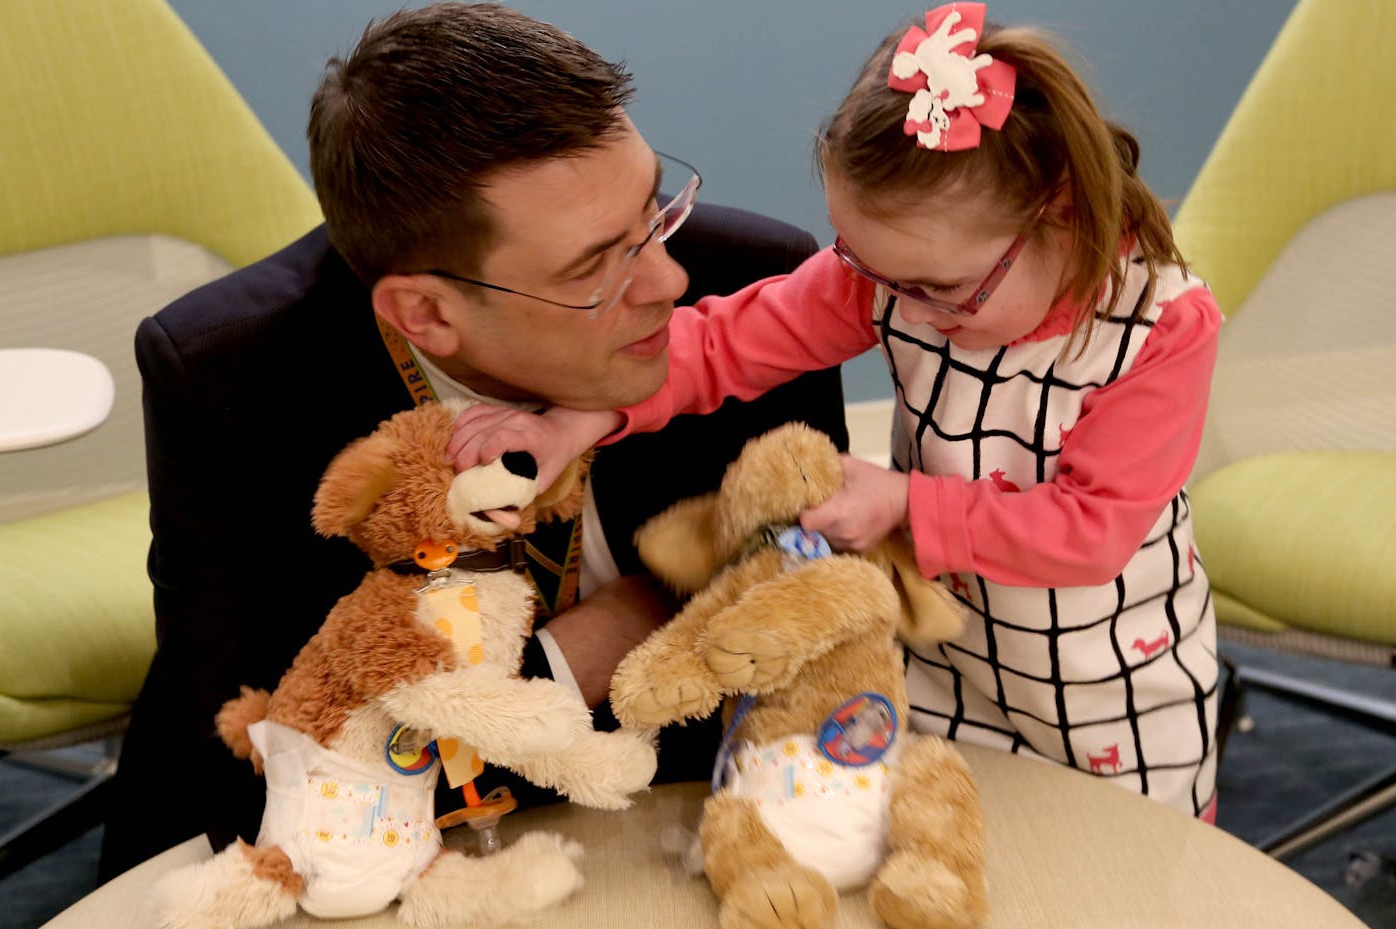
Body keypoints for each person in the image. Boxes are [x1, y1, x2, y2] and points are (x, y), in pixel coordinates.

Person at [97, 2, 847, 882]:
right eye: (593, 267)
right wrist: (606, 636)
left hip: (674, 829)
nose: (669, 280)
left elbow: (809, 618)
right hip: (353, 868)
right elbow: (275, 756)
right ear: (426, 314)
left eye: (655, 209)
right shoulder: (232, 374)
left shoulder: (756, 292)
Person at [448, 3, 1223, 819]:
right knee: (950, 844)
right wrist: (577, 422)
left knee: (1126, 892)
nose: (904, 311)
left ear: (1059, 216)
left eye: (942, 292)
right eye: (867, 267)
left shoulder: (1159, 328)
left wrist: (903, 502)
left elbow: (1091, 531)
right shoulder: (898, 278)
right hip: (945, 653)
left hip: (1110, 686)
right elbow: (724, 343)